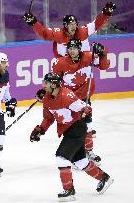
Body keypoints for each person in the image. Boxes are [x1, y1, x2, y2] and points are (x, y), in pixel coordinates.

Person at [30, 72, 114, 202]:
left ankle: (69, 190)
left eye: (45, 82)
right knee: (80, 161)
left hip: (77, 128)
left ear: (54, 84)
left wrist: (87, 114)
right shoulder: (47, 99)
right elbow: (48, 118)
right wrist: (40, 130)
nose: (43, 85)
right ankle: (104, 178)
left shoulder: (66, 96)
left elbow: (86, 108)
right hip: (68, 131)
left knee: (61, 157)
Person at [50, 38, 110, 165]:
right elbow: (53, 81)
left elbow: (105, 66)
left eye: (74, 48)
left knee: (87, 126)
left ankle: (89, 151)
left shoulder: (89, 57)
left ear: (79, 49)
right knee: (73, 129)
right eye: (69, 49)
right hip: (68, 100)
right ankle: (75, 155)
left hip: (83, 99)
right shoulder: (60, 63)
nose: (72, 51)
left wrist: (103, 52)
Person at [23, 2, 116, 58]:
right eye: (70, 24)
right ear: (65, 26)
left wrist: (106, 13)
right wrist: (33, 22)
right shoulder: (58, 34)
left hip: (82, 62)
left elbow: (97, 24)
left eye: (74, 24)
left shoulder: (82, 32)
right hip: (65, 63)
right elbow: (44, 32)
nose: (73, 27)